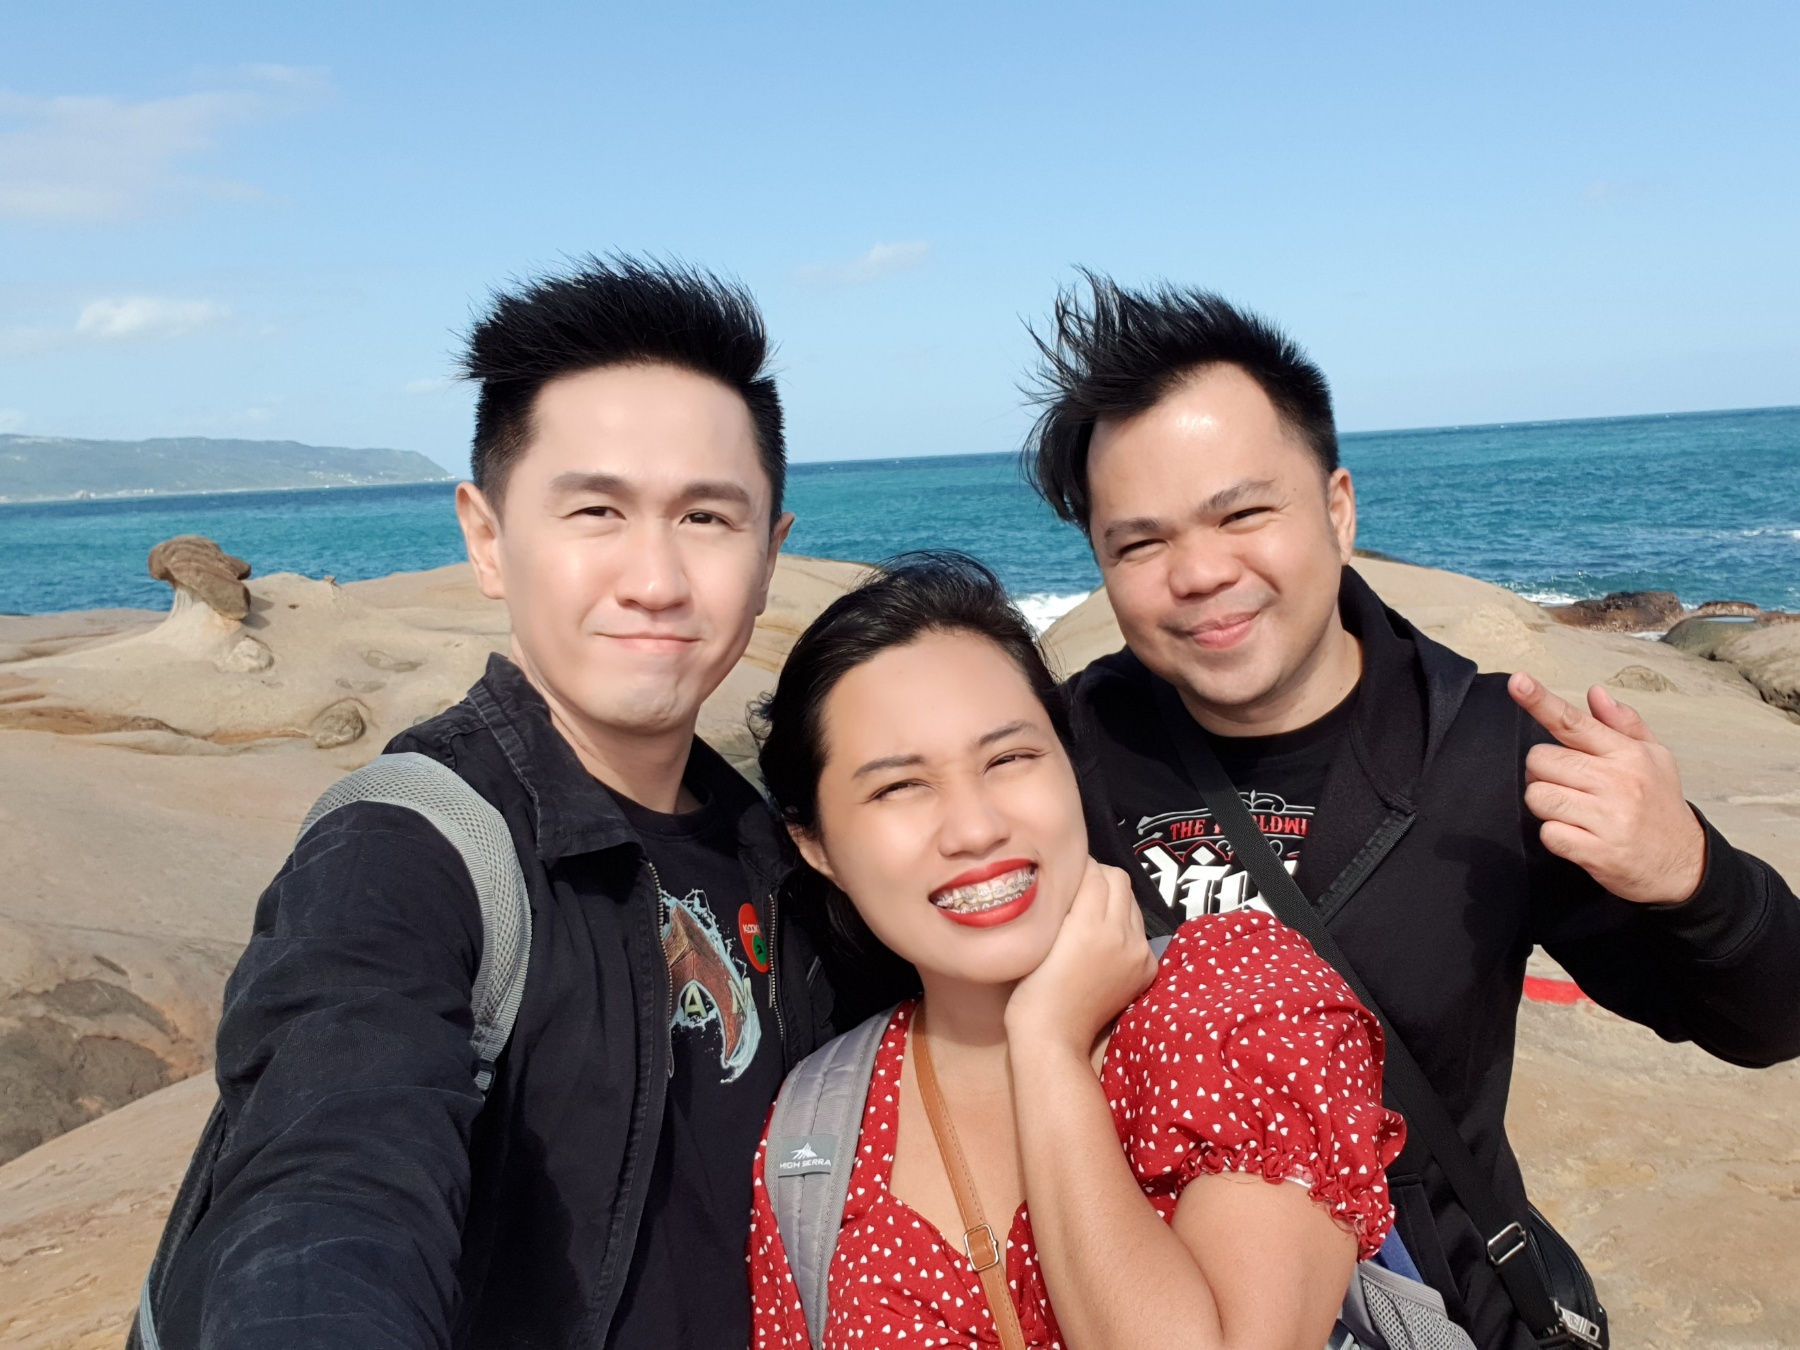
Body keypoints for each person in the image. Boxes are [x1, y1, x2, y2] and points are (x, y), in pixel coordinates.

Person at [1023, 276, 1800, 1348]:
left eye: (1243, 513)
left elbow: (1771, 1023)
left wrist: (1693, 876)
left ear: (1338, 508)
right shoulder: (1064, 754)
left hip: (1447, 1311)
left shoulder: (1487, 751)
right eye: (1139, 543)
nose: (1198, 573)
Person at [150, 258, 835, 1349]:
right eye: (597, 510)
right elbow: (330, 1173)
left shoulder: (782, 861)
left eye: (707, 516)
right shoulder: (403, 853)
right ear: (486, 538)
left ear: (769, 555)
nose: (655, 579)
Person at [747, 552, 1407, 1350]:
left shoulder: (1237, 997)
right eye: (898, 787)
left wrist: (1049, 1047)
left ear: (1068, 765)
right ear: (814, 843)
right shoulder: (817, 1125)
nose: (976, 828)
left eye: (1009, 759)